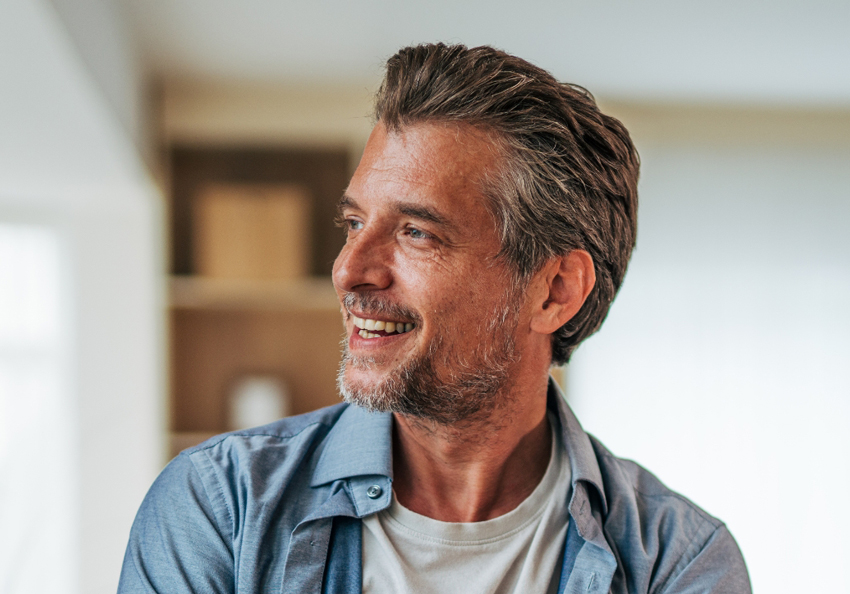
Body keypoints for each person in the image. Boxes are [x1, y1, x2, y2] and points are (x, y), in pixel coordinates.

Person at [118, 43, 751, 594]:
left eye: (417, 232)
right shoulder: (219, 510)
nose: (348, 270)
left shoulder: (677, 564)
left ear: (555, 291)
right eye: (354, 223)